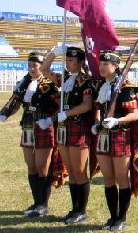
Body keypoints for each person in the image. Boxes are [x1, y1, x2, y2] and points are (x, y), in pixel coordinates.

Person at [0, 52, 64, 217]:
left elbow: (59, 106)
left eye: (35, 65)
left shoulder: (49, 84)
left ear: (42, 66)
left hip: (43, 126)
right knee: (31, 166)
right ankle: (36, 203)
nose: (32, 69)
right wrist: (6, 113)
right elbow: (17, 102)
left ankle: (43, 204)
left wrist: (50, 120)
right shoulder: (25, 82)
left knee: (42, 166)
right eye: (29, 65)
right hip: (27, 125)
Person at [91, 51, 138, 231]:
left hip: (119, 135)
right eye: (100, 64)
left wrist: (117, 120)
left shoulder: (125, 87)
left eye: (105, 64)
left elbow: (134, 114)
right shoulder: (102, 85)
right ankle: (112, 216)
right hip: (103, 136)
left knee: (122, 177)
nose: (101, 67)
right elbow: (99, 107)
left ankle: (121, 218)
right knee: (108, 178)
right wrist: (97, 122)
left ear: (115, 66)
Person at [41, 46, 93, 224]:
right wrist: (54, 53)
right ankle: (74, 208)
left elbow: (87, 105)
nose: (67, 63)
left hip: (78, 126)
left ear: (80, 63)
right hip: (64, 128)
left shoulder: (85, 80)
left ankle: (82, 210)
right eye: (67, 60)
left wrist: (67, 113)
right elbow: (44, 69)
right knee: (71, 171)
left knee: (79, 171)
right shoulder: (64, 79)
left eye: (71, 60)